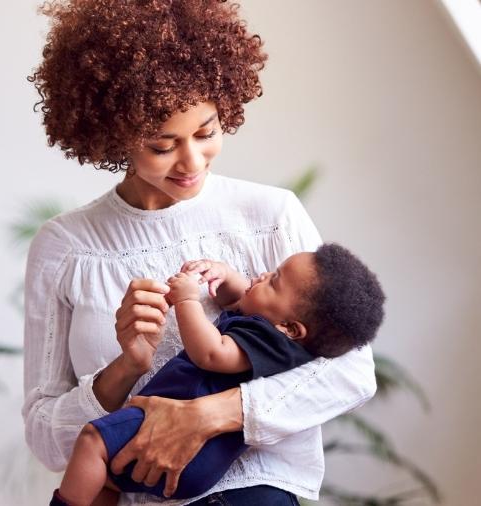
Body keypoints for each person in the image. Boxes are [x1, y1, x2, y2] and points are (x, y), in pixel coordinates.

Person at [22, 1, 377, 505]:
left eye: (207, 133)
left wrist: (211, 416)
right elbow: (43, 436)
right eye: (162, 145)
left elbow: (351, 371)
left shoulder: (270, 215)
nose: (192, 161)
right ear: (112, 133)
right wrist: (125, 367)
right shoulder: (66, 249)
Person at [51, 246, 386, 505]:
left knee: (92, 440)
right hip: (196, 462)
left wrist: (186, 300)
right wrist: (223, 274)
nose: (262, 275)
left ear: (290, 329)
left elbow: (211, 353)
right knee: (109, 477)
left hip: (192, 454)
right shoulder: (277, 333)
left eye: (274, 280)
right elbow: (241, 297)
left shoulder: (268, 341)